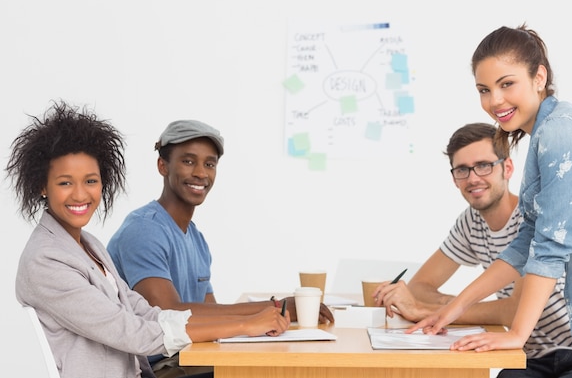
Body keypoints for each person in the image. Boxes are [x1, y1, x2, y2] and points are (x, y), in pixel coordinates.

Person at [7, 101, 290, 378]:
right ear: (42, 186)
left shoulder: (89, 245)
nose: (81, 195)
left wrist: (256, 318)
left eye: (91, 181)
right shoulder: (46, 260)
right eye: (65, 182)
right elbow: (132, 332)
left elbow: (146, 312)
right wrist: (245, 325)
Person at [412, 24, 572, 377]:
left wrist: (517, 334)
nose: (495, 101)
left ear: (539, 77)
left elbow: (552, 244)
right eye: (484, 89)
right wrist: (453, 309)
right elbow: (526, 239)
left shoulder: (561, 132)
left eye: (506, 84)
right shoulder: (546, 132)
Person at [107, 119, 334, 377]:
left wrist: (275, 310)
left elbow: (213, 313)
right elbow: (167, 314)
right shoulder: (144, 230)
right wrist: (274, 306)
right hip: (156, 367)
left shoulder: (197, 239)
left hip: (190, 354)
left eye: (210, 164)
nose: (201, 173)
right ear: (163, 166)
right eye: (188, 161)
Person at [374, 122, 572, 377]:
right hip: (532, 357)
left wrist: (428, 311)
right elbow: (419, 287)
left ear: (507, 168)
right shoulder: (470, 223)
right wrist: (452, 306)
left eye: (483, 166)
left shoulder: (533, 220)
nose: (473, 178)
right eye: (462, 169)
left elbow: (511, 310)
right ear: (454, 178)